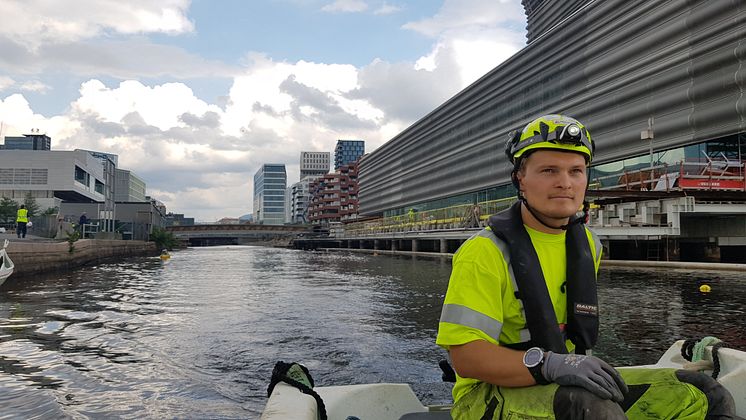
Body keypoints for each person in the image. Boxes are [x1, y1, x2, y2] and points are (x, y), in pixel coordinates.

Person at [436, 114, 737, 419]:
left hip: (558, 384)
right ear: (520, 179)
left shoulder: (588, 246)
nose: (564, 182)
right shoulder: (484, 253)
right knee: (592, 408)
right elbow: (466, 358)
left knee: (702, 392)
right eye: (548, 170)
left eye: (575, 171)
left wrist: (567, 366)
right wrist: (552, 364)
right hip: (485, 398)